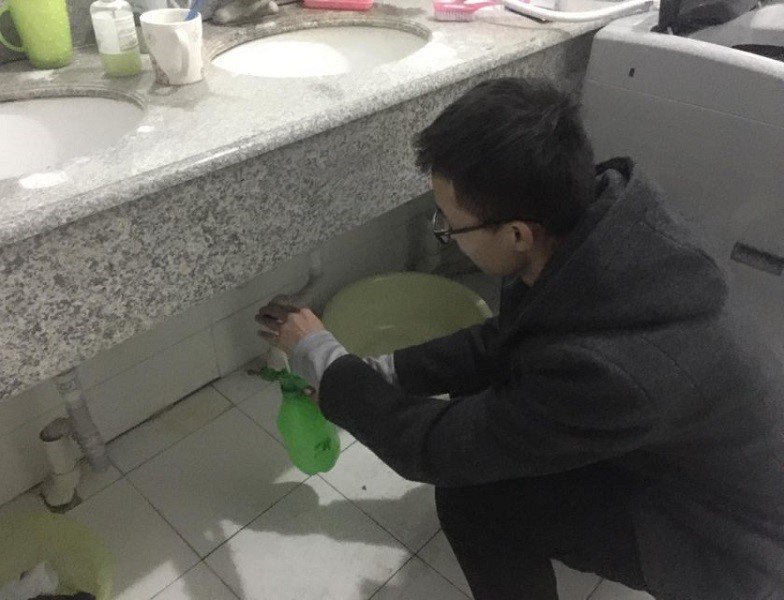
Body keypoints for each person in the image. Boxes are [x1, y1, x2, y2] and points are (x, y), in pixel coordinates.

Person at [255, 78, 784, 600]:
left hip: (728, 541)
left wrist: (326, 360)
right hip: (691, 456)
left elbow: (435, 450)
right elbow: (512, 340)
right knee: (483, 403)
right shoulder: (610, 223)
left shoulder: (609, 369)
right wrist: (382, 372)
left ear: (517, 234)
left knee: (474, 496)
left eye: (451, 226)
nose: (446, 235)